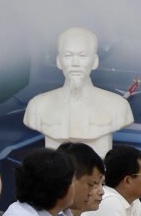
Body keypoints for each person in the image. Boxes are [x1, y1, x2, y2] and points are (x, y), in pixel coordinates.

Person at [22, 26, 133, 155]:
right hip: (56, 172)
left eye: (82, 56)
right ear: (59, 61)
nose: (75, 63)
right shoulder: (37, 106)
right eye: (68, 56)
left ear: (95, 61)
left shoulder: (118, 106)